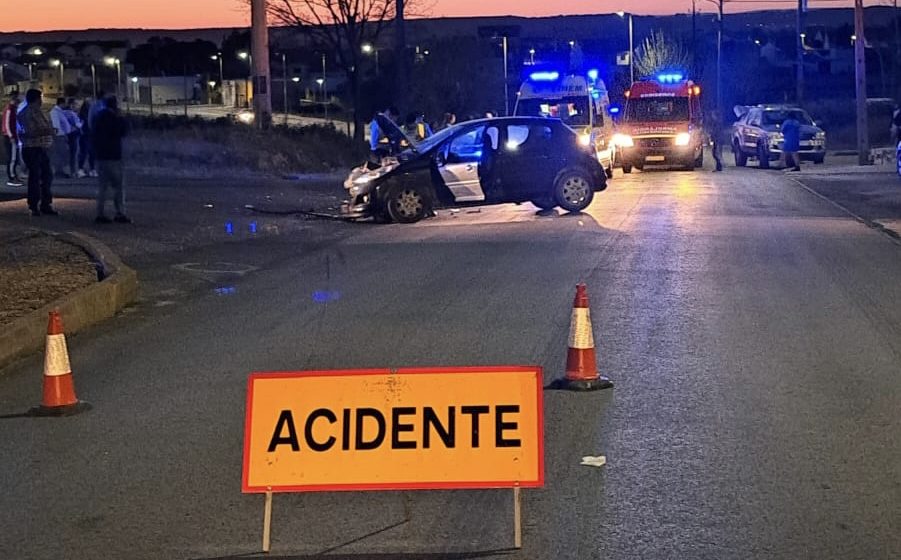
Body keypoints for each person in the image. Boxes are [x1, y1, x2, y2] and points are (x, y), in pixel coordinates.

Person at [18, 89, 58, 216]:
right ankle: (34, 205)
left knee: (47, 175)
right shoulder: (26, 113)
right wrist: (48, 131)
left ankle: (45, 203)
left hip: (41, 147)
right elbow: (30, 132)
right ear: (36, 99)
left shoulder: (39, 112)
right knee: (35, 177)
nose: (41, 101)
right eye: (40, 98)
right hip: (32, 148)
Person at [92, 96, 130, 224]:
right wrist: (122, 118)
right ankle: (120, 213)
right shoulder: (114, 118)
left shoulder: (98, 117)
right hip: (113, 156)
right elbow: (123, 132)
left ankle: (100, 213)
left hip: (101, 156)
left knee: (103, 187)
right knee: (118, 187)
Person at [2, 91, 24, 187]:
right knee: (12, 158)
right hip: (9, 137)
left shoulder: (13, 109)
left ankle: (14, 175)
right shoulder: (9, 109)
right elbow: (7, 124)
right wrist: (11, 136)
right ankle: (11, 177)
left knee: (14, 158)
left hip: (13, 136)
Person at [49, 98, 73, 177]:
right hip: (59, 136)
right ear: (61, 103)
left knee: (63, 154)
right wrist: (59, 134)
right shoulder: (55, 112)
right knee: (59, 154)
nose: (66, 105)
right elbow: (56, 125)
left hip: (62, 135)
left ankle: (60, 170)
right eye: (65, 103)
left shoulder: (59, 112)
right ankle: (58, 171)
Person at [64, 98, 82, 179]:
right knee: (74, 154)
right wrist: (82, 123)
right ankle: (74, 172)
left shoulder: (63, 112)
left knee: (69, 154)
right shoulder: (72, 113)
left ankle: (69, 171)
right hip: (74, 134)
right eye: (76, 104)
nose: (77, 106)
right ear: (72, 104)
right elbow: (77, 124)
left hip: (66, 134)